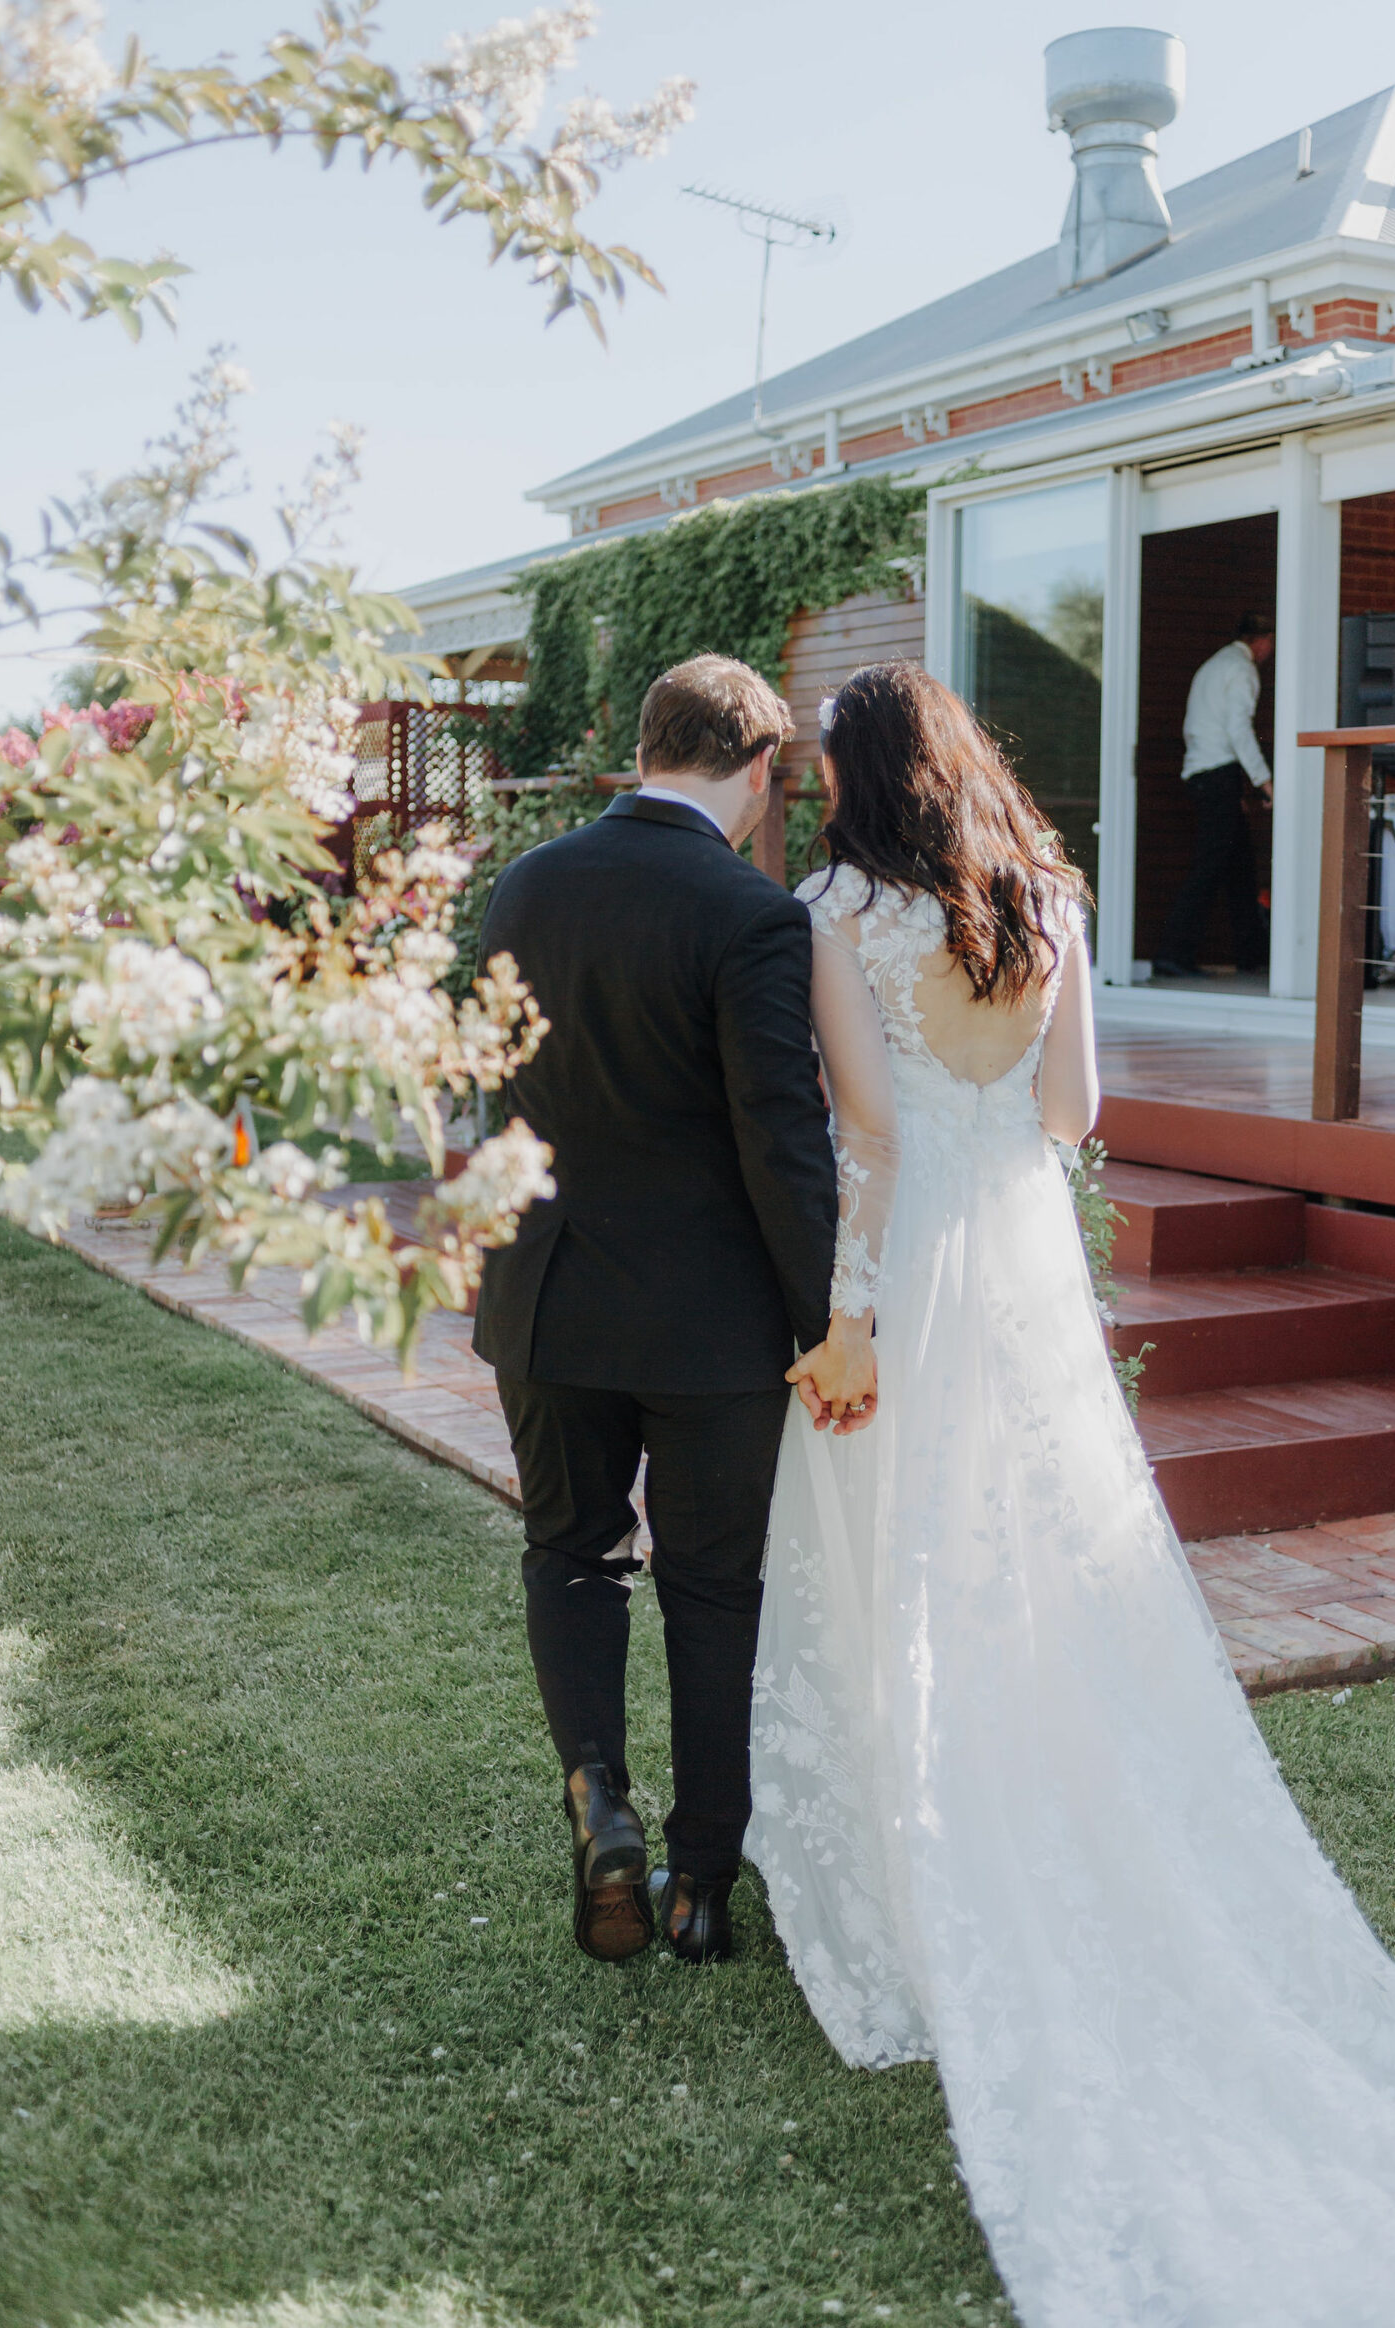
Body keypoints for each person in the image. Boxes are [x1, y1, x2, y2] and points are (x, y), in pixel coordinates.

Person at [749, 659, 1395, 2328]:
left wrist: (844, 1311)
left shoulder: (828, 910)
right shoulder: (1043, 895)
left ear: (851, 779)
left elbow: (869, 1136)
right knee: (1042, 1562)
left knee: (899, 1562)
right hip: (1028, 1268)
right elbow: (1073, 1112)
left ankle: (921, 1886)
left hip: (911, 1272)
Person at [474, 654, 839, 1966]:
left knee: (570, 1556)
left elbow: (491, 1090)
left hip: (548, 1295)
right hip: (708, 1327)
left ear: (645, 748)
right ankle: (696, 1887)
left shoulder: (524, 884)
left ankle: (596, 1803)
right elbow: (778, 1137)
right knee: (709, 1594)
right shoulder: (748, 911)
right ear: (755, 769)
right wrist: (818, 1316)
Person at [1152, 616, 1274, 977]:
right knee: (1211, 868)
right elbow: (1238, 728)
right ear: (1263, 640)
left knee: (1239, 868)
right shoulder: (1242, 670)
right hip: (1219, 774)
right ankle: (1173, 954)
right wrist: (1264, 782)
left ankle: (1251, 956)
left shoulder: (1214, 665)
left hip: (1207, 774)